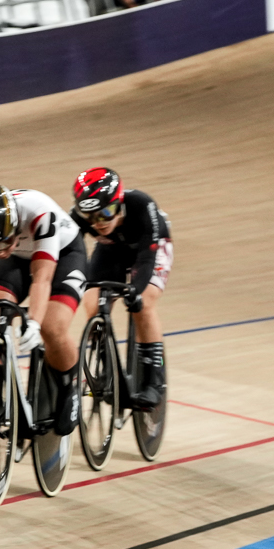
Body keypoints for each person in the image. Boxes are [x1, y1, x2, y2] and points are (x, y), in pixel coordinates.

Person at [0, 183, 86, 433]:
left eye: (4, 242)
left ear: (15, 226)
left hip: (64, 253)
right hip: (18, 258)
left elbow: (42, 279)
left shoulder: (39, 211)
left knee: (52, 327)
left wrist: (35, 324)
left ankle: (69, 387)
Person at [70, 166, 171, 407]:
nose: (99, 222)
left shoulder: (141, 205)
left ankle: (154, 381)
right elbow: (73, 254)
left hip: (149, 249)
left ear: (119, 202)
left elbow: (147, 259)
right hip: (111, 250)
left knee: (143, 305)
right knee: (92, 303)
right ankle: (106, 370)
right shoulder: (78, 218)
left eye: (106, 212)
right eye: (91, 217)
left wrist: (135, 290)